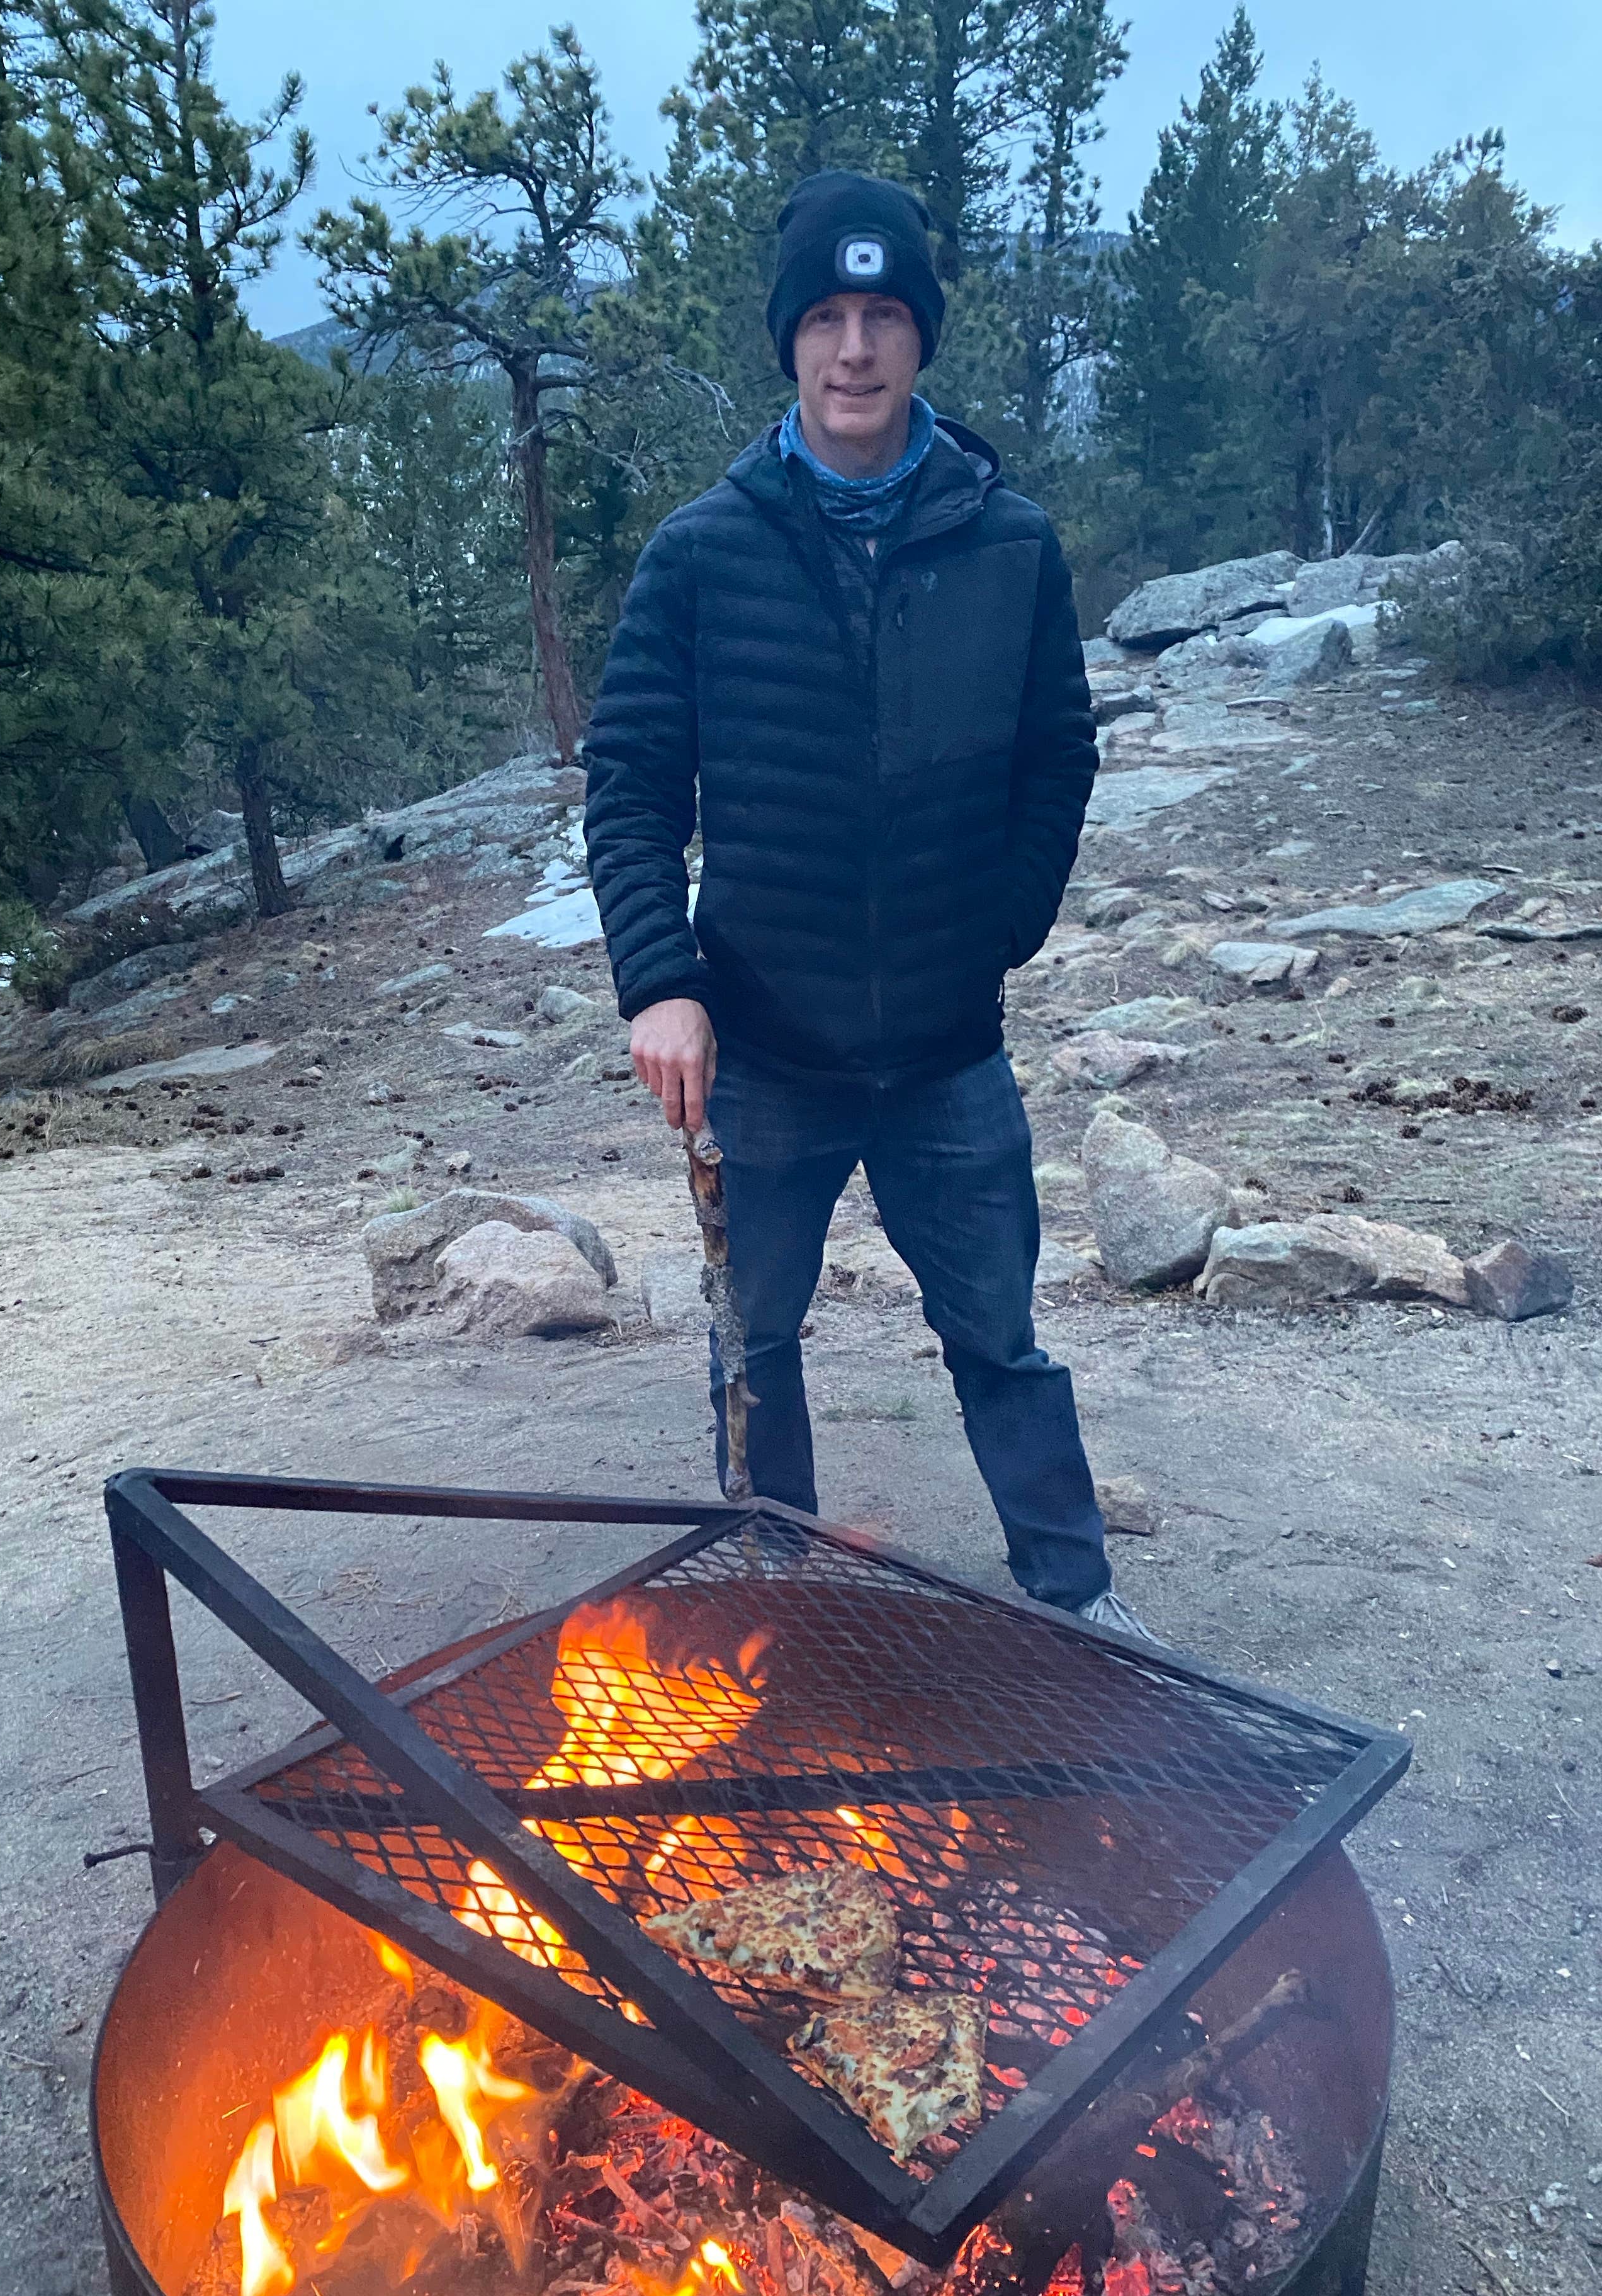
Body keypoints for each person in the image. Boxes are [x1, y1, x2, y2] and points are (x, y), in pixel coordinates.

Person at [584, 169, 1150, 1637]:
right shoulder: (704, 553)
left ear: (919, 340)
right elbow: (634, 780)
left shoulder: (1006, 539)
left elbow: (1057, 755)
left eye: (883, 315)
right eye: (826, 317)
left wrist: (999, 927)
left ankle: (1077, 1603)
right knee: (754, 1346)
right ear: (789, 340)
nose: (854, 349)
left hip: (949, 1055)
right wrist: (663, 980)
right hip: (766, 1045)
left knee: (1002, 1342)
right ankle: (780, 1605)